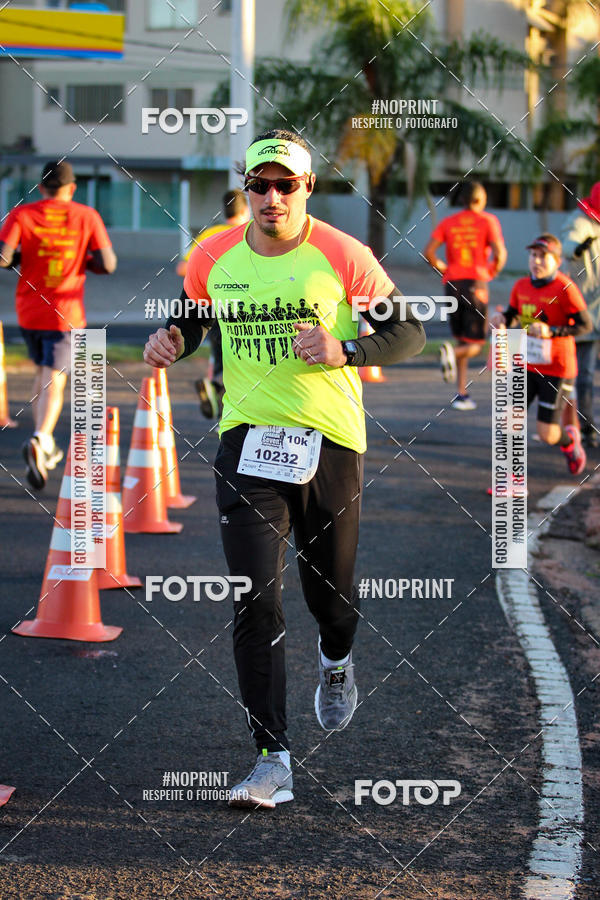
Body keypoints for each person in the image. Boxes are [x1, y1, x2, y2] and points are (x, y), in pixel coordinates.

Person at [143, 128, 425, 809]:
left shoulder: (341, 252)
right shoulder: (213, 253)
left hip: (330, 443)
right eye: (259, 185)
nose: (271, 197)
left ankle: (336, 658)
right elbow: (193, 320)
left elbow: (410, 332)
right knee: (255, 598)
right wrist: (172, 340)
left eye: (285, 185)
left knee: (331, 598)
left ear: (307, 188)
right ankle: (272, 758)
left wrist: (345, 349)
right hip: (247, 443)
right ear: (246, 189)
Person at [0, 160, 116, 489]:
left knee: (43, 371)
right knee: (56, 377)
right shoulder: (86, 216)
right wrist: (82, 261)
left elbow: (3, 257)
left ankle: (43, 441)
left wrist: (24, 258)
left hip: (28, 311)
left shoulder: (22, 214)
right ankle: (42, 438)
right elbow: (108, 264)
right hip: (65, 313)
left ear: (41, 188)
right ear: (72, 188)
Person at [490, 234, 592, 475]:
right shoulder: (521, 286)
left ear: (557, 261)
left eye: (543, 256)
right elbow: (514, 314)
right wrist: (502, 318)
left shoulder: (565, 288)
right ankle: (511, 479)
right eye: (533, 255)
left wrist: (551, 331)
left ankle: (569, 442)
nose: (536, 261)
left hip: (557, 369)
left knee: (547, 434)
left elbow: (585, 325)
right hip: (526, 364)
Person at [424, 181, 507, 409]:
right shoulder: (488, 221)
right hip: (475, 283)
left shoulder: (449, 222)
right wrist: (491, 271)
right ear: (480, 199)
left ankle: (461, 393)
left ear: (462, 200)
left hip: (452, 284)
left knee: (463, 339)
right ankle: (451, 353)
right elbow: (500, 254)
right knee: (476, 344)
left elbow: (429, 252)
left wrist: (444, 268)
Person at [177, 189, 250, 419]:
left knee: (222, 358)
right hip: (246, 309)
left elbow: (182, 268)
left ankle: (217, 393)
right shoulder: (253, 235)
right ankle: (221, 394)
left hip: (214, 306)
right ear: (245, 209)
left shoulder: (210, 235)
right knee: (244, 362)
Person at [560, 182, 600, 448]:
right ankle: (586, 428)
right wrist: (578, 248)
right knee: (582, 374)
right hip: (584, 310)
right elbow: (568, 245)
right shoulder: (580, 222)